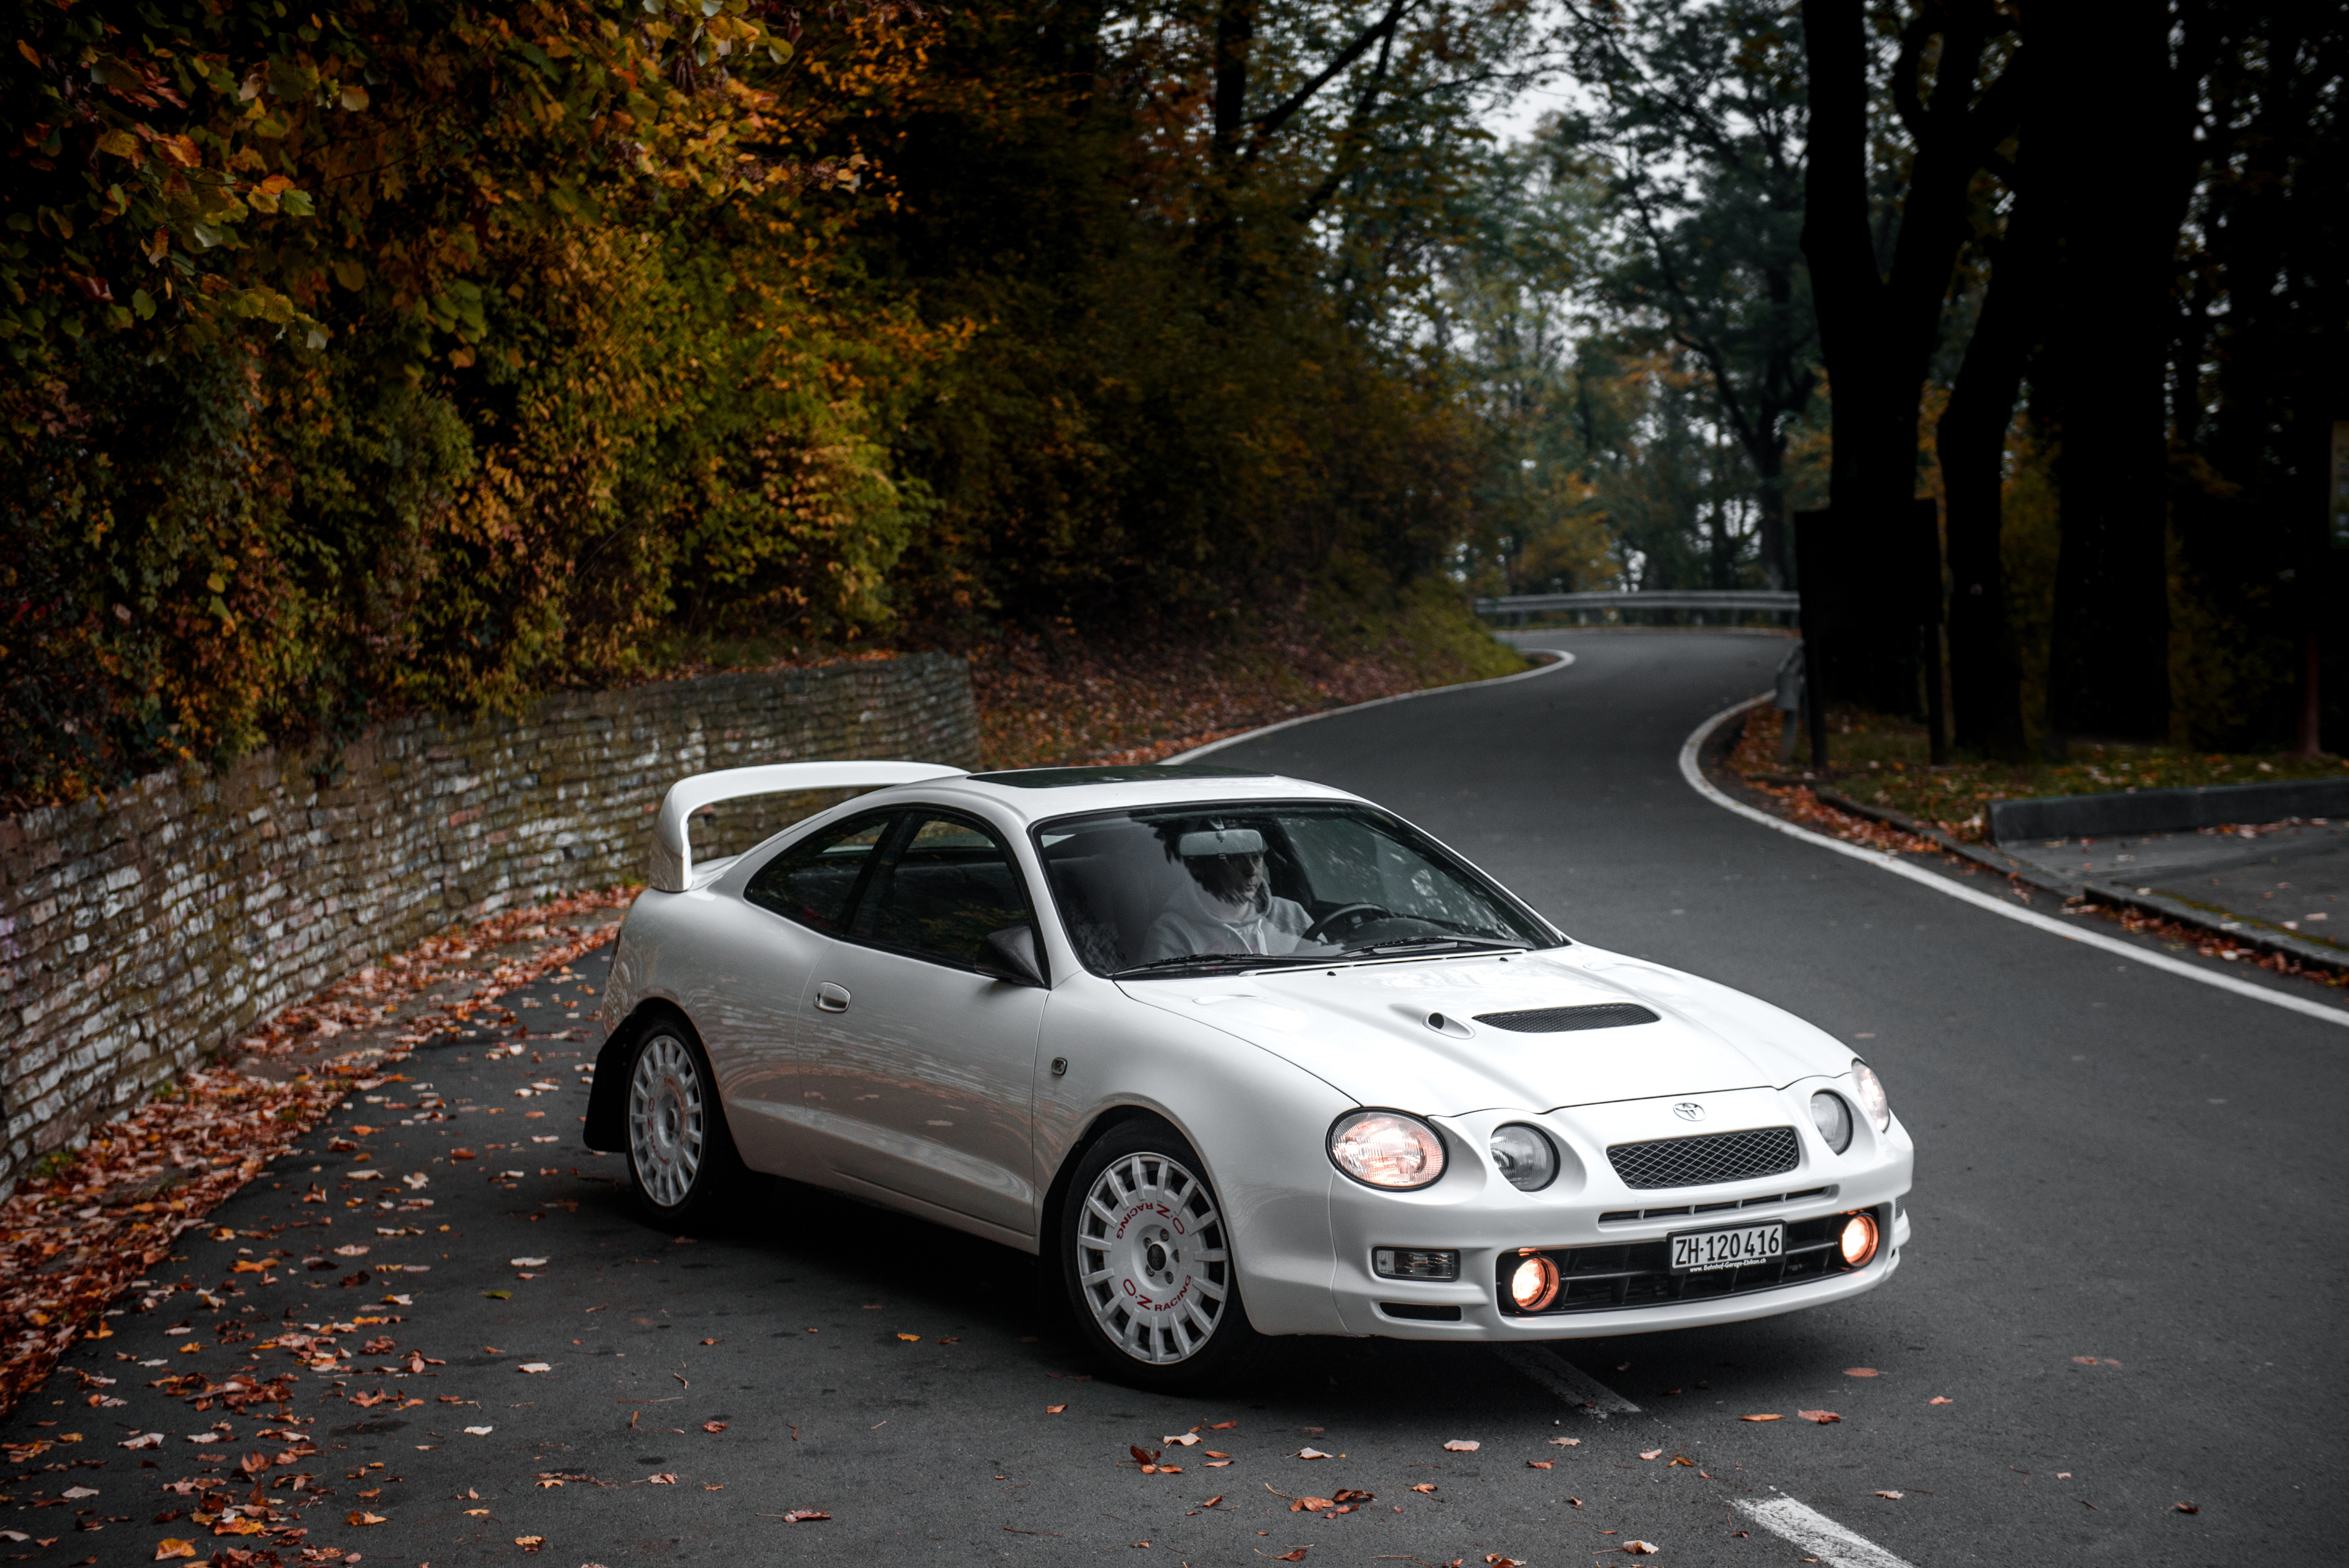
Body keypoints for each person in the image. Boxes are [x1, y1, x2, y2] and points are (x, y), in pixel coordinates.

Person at [1138, 823, 1327, 964]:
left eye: (1257, 857)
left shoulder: (1291, 914)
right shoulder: (1172, 933)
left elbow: (1329, 969)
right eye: (1237, 860)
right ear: (1208, 867)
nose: (1252, 871)